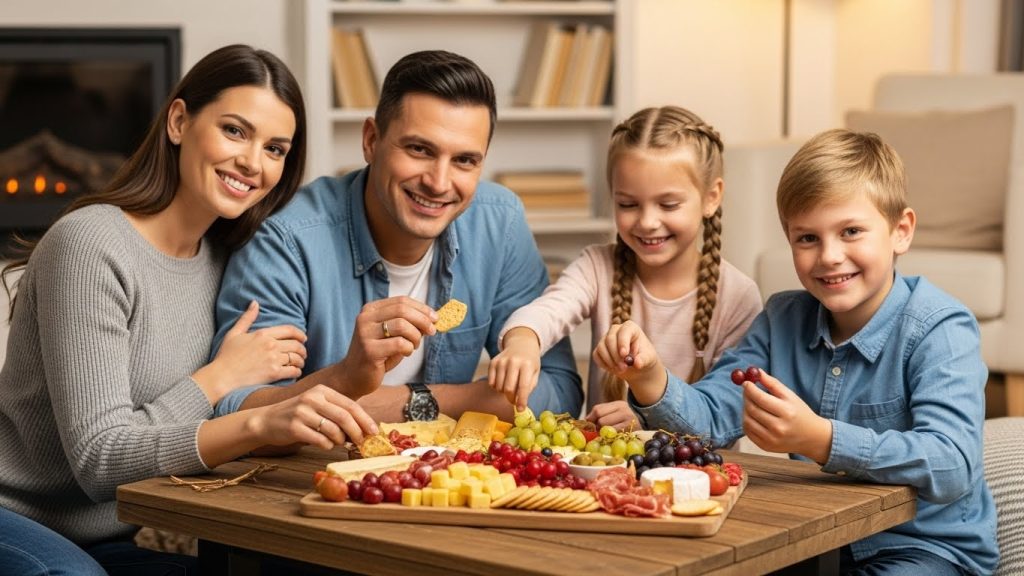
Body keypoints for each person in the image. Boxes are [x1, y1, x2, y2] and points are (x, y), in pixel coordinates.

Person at [0, 44, 377, 576]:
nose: (253, 162)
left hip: (114, 530)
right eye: (234, 131)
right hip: (16, 515)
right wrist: (219, 381)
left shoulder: (230, 261)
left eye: (275, 148)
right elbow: (100, 461)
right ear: (179, 121)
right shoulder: (91, 245)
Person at [615, 129, 997, 574]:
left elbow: (951, 464)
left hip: (924, 550)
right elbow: (712, 419)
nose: (830, 256)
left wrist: (821, 439)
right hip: (817, 543)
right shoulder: (781, 320)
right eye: (807, 238)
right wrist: (648, 378)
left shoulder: (939, 328)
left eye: (851, 231)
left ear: (900, 231)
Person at [211, 50, 583, 423]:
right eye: (420, 150)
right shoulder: (286, 238)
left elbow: (560, 391)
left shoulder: (499, 223)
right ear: (371, 140)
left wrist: (413, 401)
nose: (438, 183)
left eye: (464, 161)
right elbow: (238, 411)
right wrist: (349, 378)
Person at [489, 106, 762, 429]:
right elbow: (549, 310)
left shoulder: (738, 296)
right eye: (628, 204)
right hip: (603, 470)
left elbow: (724, 413)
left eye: (668, 204)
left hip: (700, 475)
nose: (647, 222)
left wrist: (646, 417)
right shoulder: (596, 266)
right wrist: (523, 341)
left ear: (711, 197)